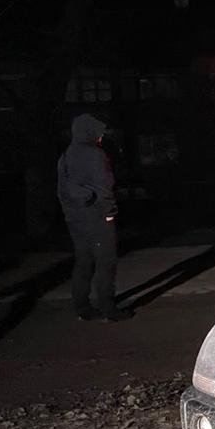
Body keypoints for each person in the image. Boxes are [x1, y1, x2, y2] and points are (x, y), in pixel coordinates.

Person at [57, 113, 130, 321]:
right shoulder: (95, 154)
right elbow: (105, 187)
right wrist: (109, 213)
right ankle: (108, 309)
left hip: (76, 219)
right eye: (98, 133)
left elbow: (61, 190)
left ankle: (82, 308)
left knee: (84, 261)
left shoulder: (66, 155)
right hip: (97, 217)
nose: (101, 137)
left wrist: (70, 214)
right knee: (106, 262)